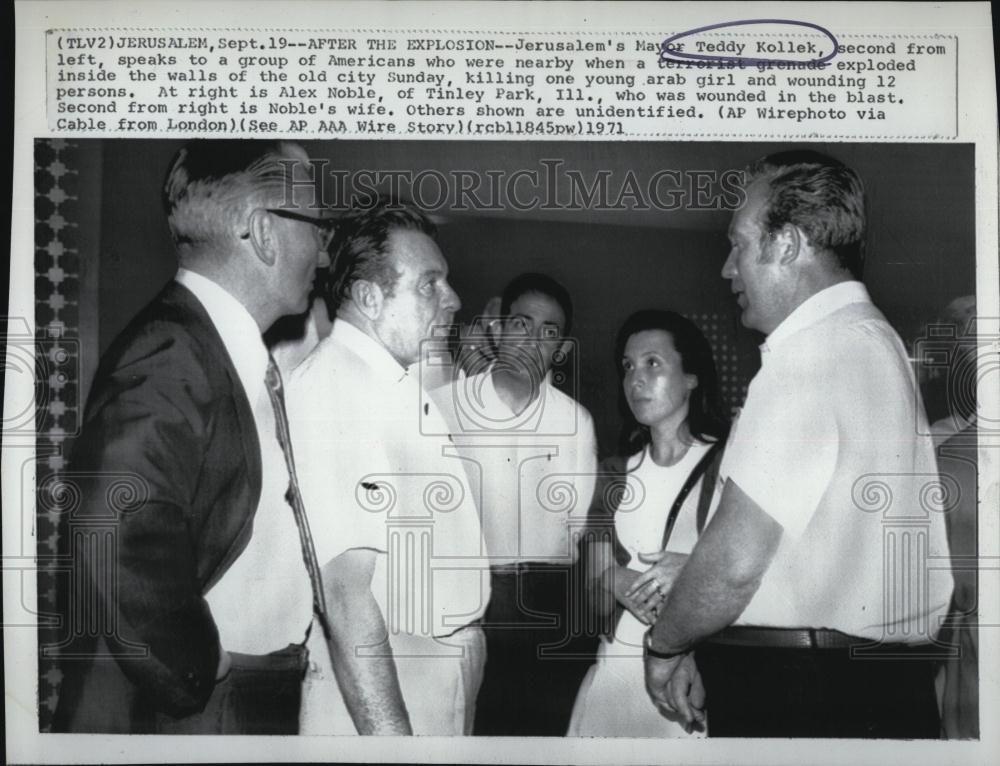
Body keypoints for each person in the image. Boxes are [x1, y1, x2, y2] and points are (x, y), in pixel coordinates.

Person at [643, 150, 954, 738]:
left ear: (786, 244)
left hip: (802, 695)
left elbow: (737, 564)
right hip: (882, 690)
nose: (728, 269)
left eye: (739, 244)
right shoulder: (874, 342)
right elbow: (827, 551)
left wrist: (665, 647)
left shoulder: (806, 356)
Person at [52, 140, 333, 733]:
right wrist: (197, 666)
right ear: (263, 232)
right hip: (208, 705)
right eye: (317, 225)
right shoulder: (174, 349)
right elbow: (113, 526)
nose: (324, 253)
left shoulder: (217, 344)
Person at [287, 201, 490, 735]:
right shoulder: (336, 387)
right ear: (370, 297)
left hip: (432, 670)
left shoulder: (389, 383)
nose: (454, 299)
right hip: (389, 682)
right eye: (430, 284)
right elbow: (346, 594)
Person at [434, 273, 599, 736]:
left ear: (561, 348)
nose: (532, 340)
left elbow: (577, 527)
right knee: (462, 730)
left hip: (550, 605)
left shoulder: (576, 422)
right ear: (499, 330)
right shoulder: (444, 407)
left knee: (540, 735)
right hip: (466, 600)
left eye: (549, 331)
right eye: (522, 324)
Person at [568, 310, 726, 737]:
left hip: (691, 681)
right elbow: (593, 606)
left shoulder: (731, 467)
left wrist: (693, 574)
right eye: (628, 366)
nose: (636, 378)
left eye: (653, 363)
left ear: (691, 376)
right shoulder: (615, 474)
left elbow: (754, 580)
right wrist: (614, 579)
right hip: (615, 678)